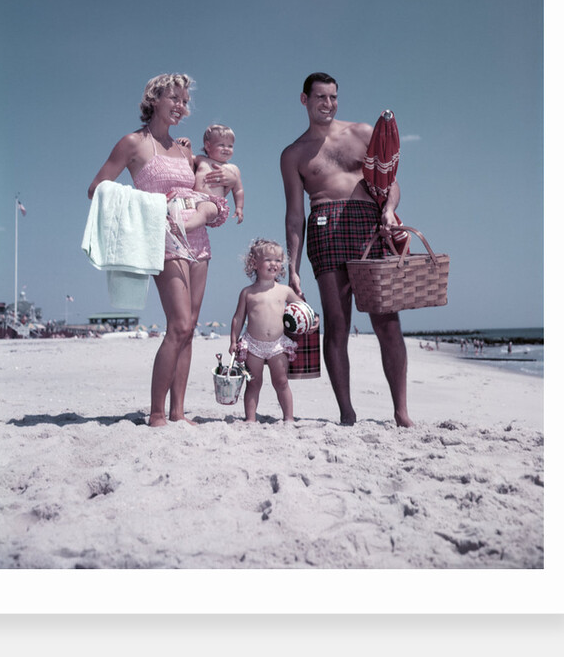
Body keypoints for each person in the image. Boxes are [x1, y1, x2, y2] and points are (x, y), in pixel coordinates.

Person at [87, 73, 237, 427]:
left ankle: (178, 412)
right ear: (154, 98)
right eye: (175, 98)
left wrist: (226, 188)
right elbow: (97, 189)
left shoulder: (186, 150)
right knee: (179, 325)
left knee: (191, 328)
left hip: (198, 240)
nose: (182, 107)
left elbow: (207, 190)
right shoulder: (132, 143)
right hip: (163, 236)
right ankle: (156, 412)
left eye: (185, 101)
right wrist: (151, 207)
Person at [280, 72, 413, 427]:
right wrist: (291, 267)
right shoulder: (293, 153)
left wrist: (387, 210)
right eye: (321, 97)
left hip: (370, 223)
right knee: (337, 325)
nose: (328, 104)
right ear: (304, 99)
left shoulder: (362, 132)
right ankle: (347, 412)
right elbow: (295, 215)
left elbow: (390, 181)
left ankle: (400, 411)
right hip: (324, 226)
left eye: (333, 97)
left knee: (388, 323)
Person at [229, 238, 301, 423]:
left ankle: (289, 418)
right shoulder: (248, 292)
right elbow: (238, 318)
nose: (274, 264)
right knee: (253, 383)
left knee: (282, 382)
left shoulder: (284, 291)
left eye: (278, 260)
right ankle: (250, 419)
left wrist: (312, 320)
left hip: (278, 344)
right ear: (254, 263)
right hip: (253, 344)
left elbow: (303, 310)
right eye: (268, 259)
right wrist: (233, 341)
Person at [169, 123, 245, 233]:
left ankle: (185, 227)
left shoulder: (232, 168)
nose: (226, 149)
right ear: (208, 146)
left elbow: (238, 190)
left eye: (230, 146)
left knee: (204, 211)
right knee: (174, 205)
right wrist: (188, 146)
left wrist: (239, 207)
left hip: (212, 202)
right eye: (222, 145)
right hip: (193, 197)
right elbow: (187, 158)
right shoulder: (201, 160)